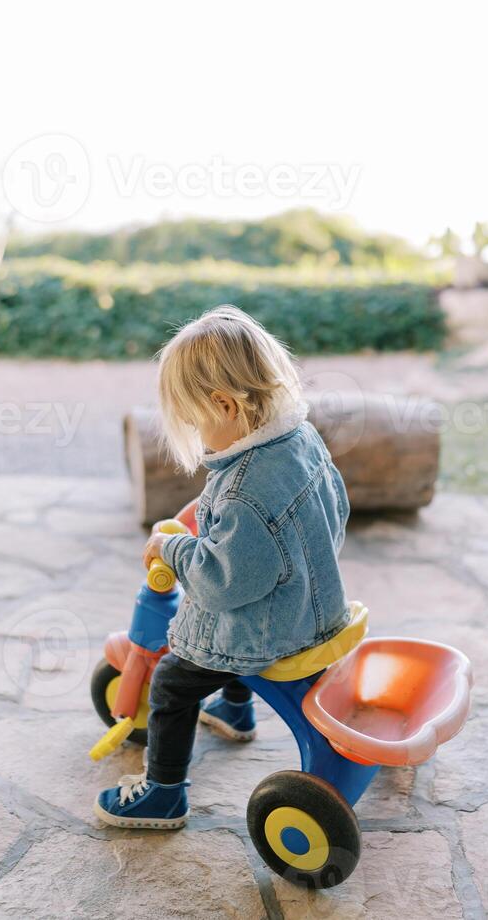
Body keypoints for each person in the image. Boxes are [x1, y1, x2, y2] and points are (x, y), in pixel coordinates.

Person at [94, 306, 350, 829]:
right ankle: (234, 709)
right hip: (315, 608)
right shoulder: (299, 441)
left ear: (225, 404)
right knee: (238, 624)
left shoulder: (244, 491)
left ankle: (164, 792)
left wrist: (175, 550)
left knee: (172, 678)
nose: (195, 431)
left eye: (194, 421)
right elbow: (334, 513)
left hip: (272, 630)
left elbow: (215, 584)